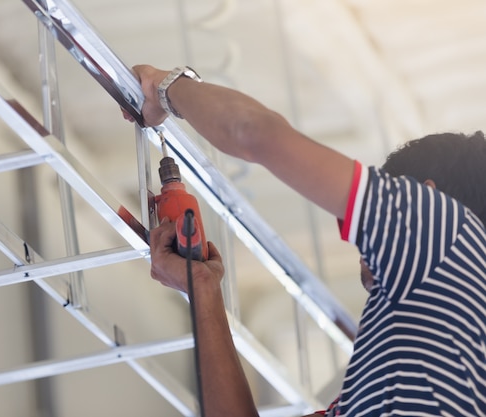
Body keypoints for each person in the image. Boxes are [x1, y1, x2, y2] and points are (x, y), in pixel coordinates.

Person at [124, 65, 486, 416]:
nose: (362, 246)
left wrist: (165, 88)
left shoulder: (447, 232)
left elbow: (252, 132)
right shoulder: (403, 381)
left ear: (423, 198)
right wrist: (202, 286)